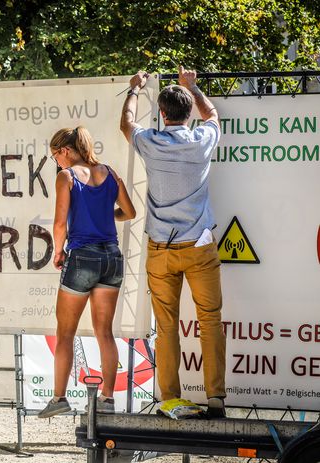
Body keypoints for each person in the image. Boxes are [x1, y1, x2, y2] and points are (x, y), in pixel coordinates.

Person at [120, 66, 226, 418]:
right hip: (199, 247)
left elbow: (127, 125)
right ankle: (215, 399)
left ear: (162, 114)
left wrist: (135, 89)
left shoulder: (151, 141)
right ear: (188, 112)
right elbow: (213, 116)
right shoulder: (202, 139)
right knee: (209, 320)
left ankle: (170, 398)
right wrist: (192, 87)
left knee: (166, 327)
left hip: (162, 250)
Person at [38, 126, 136, 419]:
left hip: (81, 256)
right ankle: (107, 398)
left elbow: (59, 224)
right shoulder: (110, 172)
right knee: (104, 332)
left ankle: (59, 398)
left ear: (65, 150)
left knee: (65, 332)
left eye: (56, 155)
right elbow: (129, 212)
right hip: (112, 257)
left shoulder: (66, 177)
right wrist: (108, 215)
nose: (57, 161)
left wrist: (58, 251)